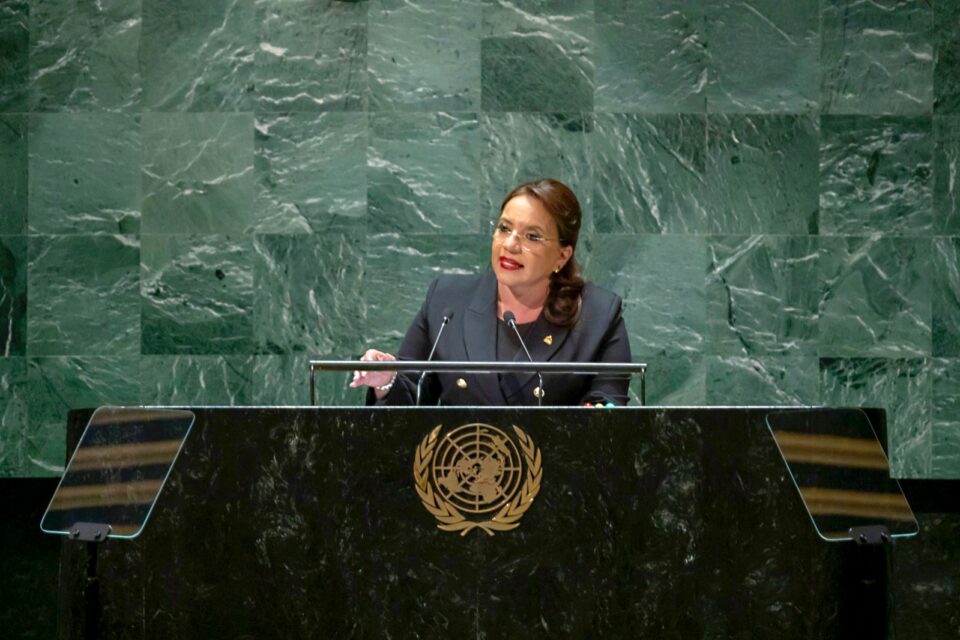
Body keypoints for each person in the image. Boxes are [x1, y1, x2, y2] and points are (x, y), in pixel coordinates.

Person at [351, 178, 632, 406]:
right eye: (504, 228)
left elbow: (608, 407)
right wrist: (386, 380)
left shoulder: (598, 315)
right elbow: (409, 399)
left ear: (562, 255)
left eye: (532, 236)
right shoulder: (447, 301)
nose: (510, 245)